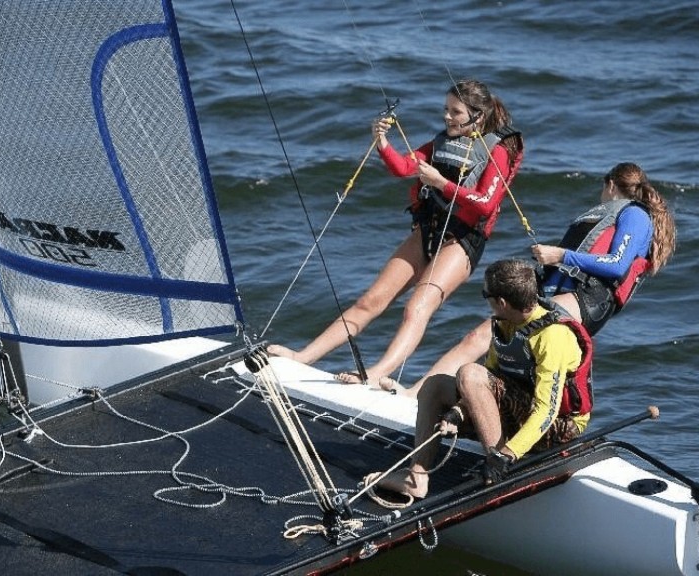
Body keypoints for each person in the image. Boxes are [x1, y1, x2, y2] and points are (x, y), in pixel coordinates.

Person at [269, 79, 524, 385]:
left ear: (477, 116)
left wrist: (441, 184)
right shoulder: (442, 142)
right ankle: (302, 357)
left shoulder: (498, 151)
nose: (447, 117)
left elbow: (485, 204)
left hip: (462, 240)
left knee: (417, 307)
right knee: (370, 300)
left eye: (455, 112)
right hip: (428, 229)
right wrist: (383, 143)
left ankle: (376, 375)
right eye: (445, 109)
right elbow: (404, 168)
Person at [382, 161, 677, 397]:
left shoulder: (635, 215)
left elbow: (616, 265)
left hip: (586, 299)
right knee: (486, 341)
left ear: (610, 184)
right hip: (564, 293)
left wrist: (560, 256)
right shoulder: (612, 214)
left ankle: (418, 395)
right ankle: (423, 395)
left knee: (492, 340)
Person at [373, 258, 593, 499]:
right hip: (517, 411)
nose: (485, 300)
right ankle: (416, 478)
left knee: (469, 372)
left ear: (501, 302)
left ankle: (498, 470)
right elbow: (489, 381)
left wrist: (506, 456)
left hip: (557, 428)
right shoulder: (504, 322)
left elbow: (546, 411)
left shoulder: (553, 337)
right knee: (435, 385)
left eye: (485, 294)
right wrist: (457, 413)